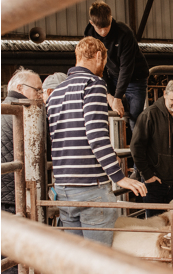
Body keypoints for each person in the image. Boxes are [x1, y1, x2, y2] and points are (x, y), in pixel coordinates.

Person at [46, 37, 147, 246]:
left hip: (64, 187)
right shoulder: (94, 84)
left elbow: (55, 138)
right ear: (99, 56)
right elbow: (97, 136)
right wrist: (119, 177)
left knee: (77, 257)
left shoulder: (55, 94)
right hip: (91, 187)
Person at [131, 79, 173, 217]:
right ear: (165, 95)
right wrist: (147, 175)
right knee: (156, 225)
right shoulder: (149, 115)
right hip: (154, 183)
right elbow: (136, 147)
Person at [84, 1, 149, 131]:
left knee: (135, 117)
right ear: (92, 23)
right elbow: (98, 66)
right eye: (99, 28)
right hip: (112, 76)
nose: (103, 32)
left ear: (111, 18)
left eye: (106, 27)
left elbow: (126, 67)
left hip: (135, 77)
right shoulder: (90, 35)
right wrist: (108, 93)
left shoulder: (124, 33)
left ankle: (136, 150)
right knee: (103, 111)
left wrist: (118, 97)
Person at [2, 67, 43, 217]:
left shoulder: (6, 109)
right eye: (37, 90)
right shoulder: (25, 113)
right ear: (19, 88)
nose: (40, 95)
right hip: (12, 197)